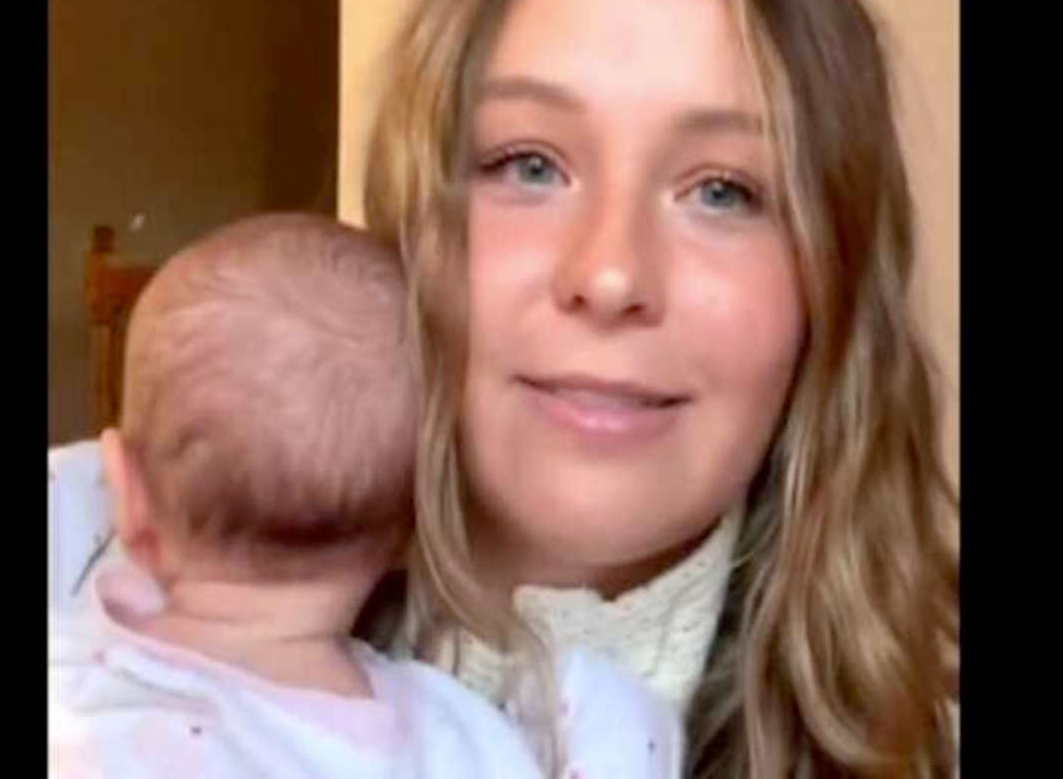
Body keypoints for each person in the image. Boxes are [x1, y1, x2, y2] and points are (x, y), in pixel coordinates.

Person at [362, 0, 959, 776]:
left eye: (723, 190)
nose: (609, 276)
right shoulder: (132, 671)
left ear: (830, 284)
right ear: (409, 224)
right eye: (529, 165)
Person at [47, 212, 681, 778]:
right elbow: (618, 726)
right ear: (412, 532)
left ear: (126, 497)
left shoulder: (74, 687)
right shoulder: (451, 736)